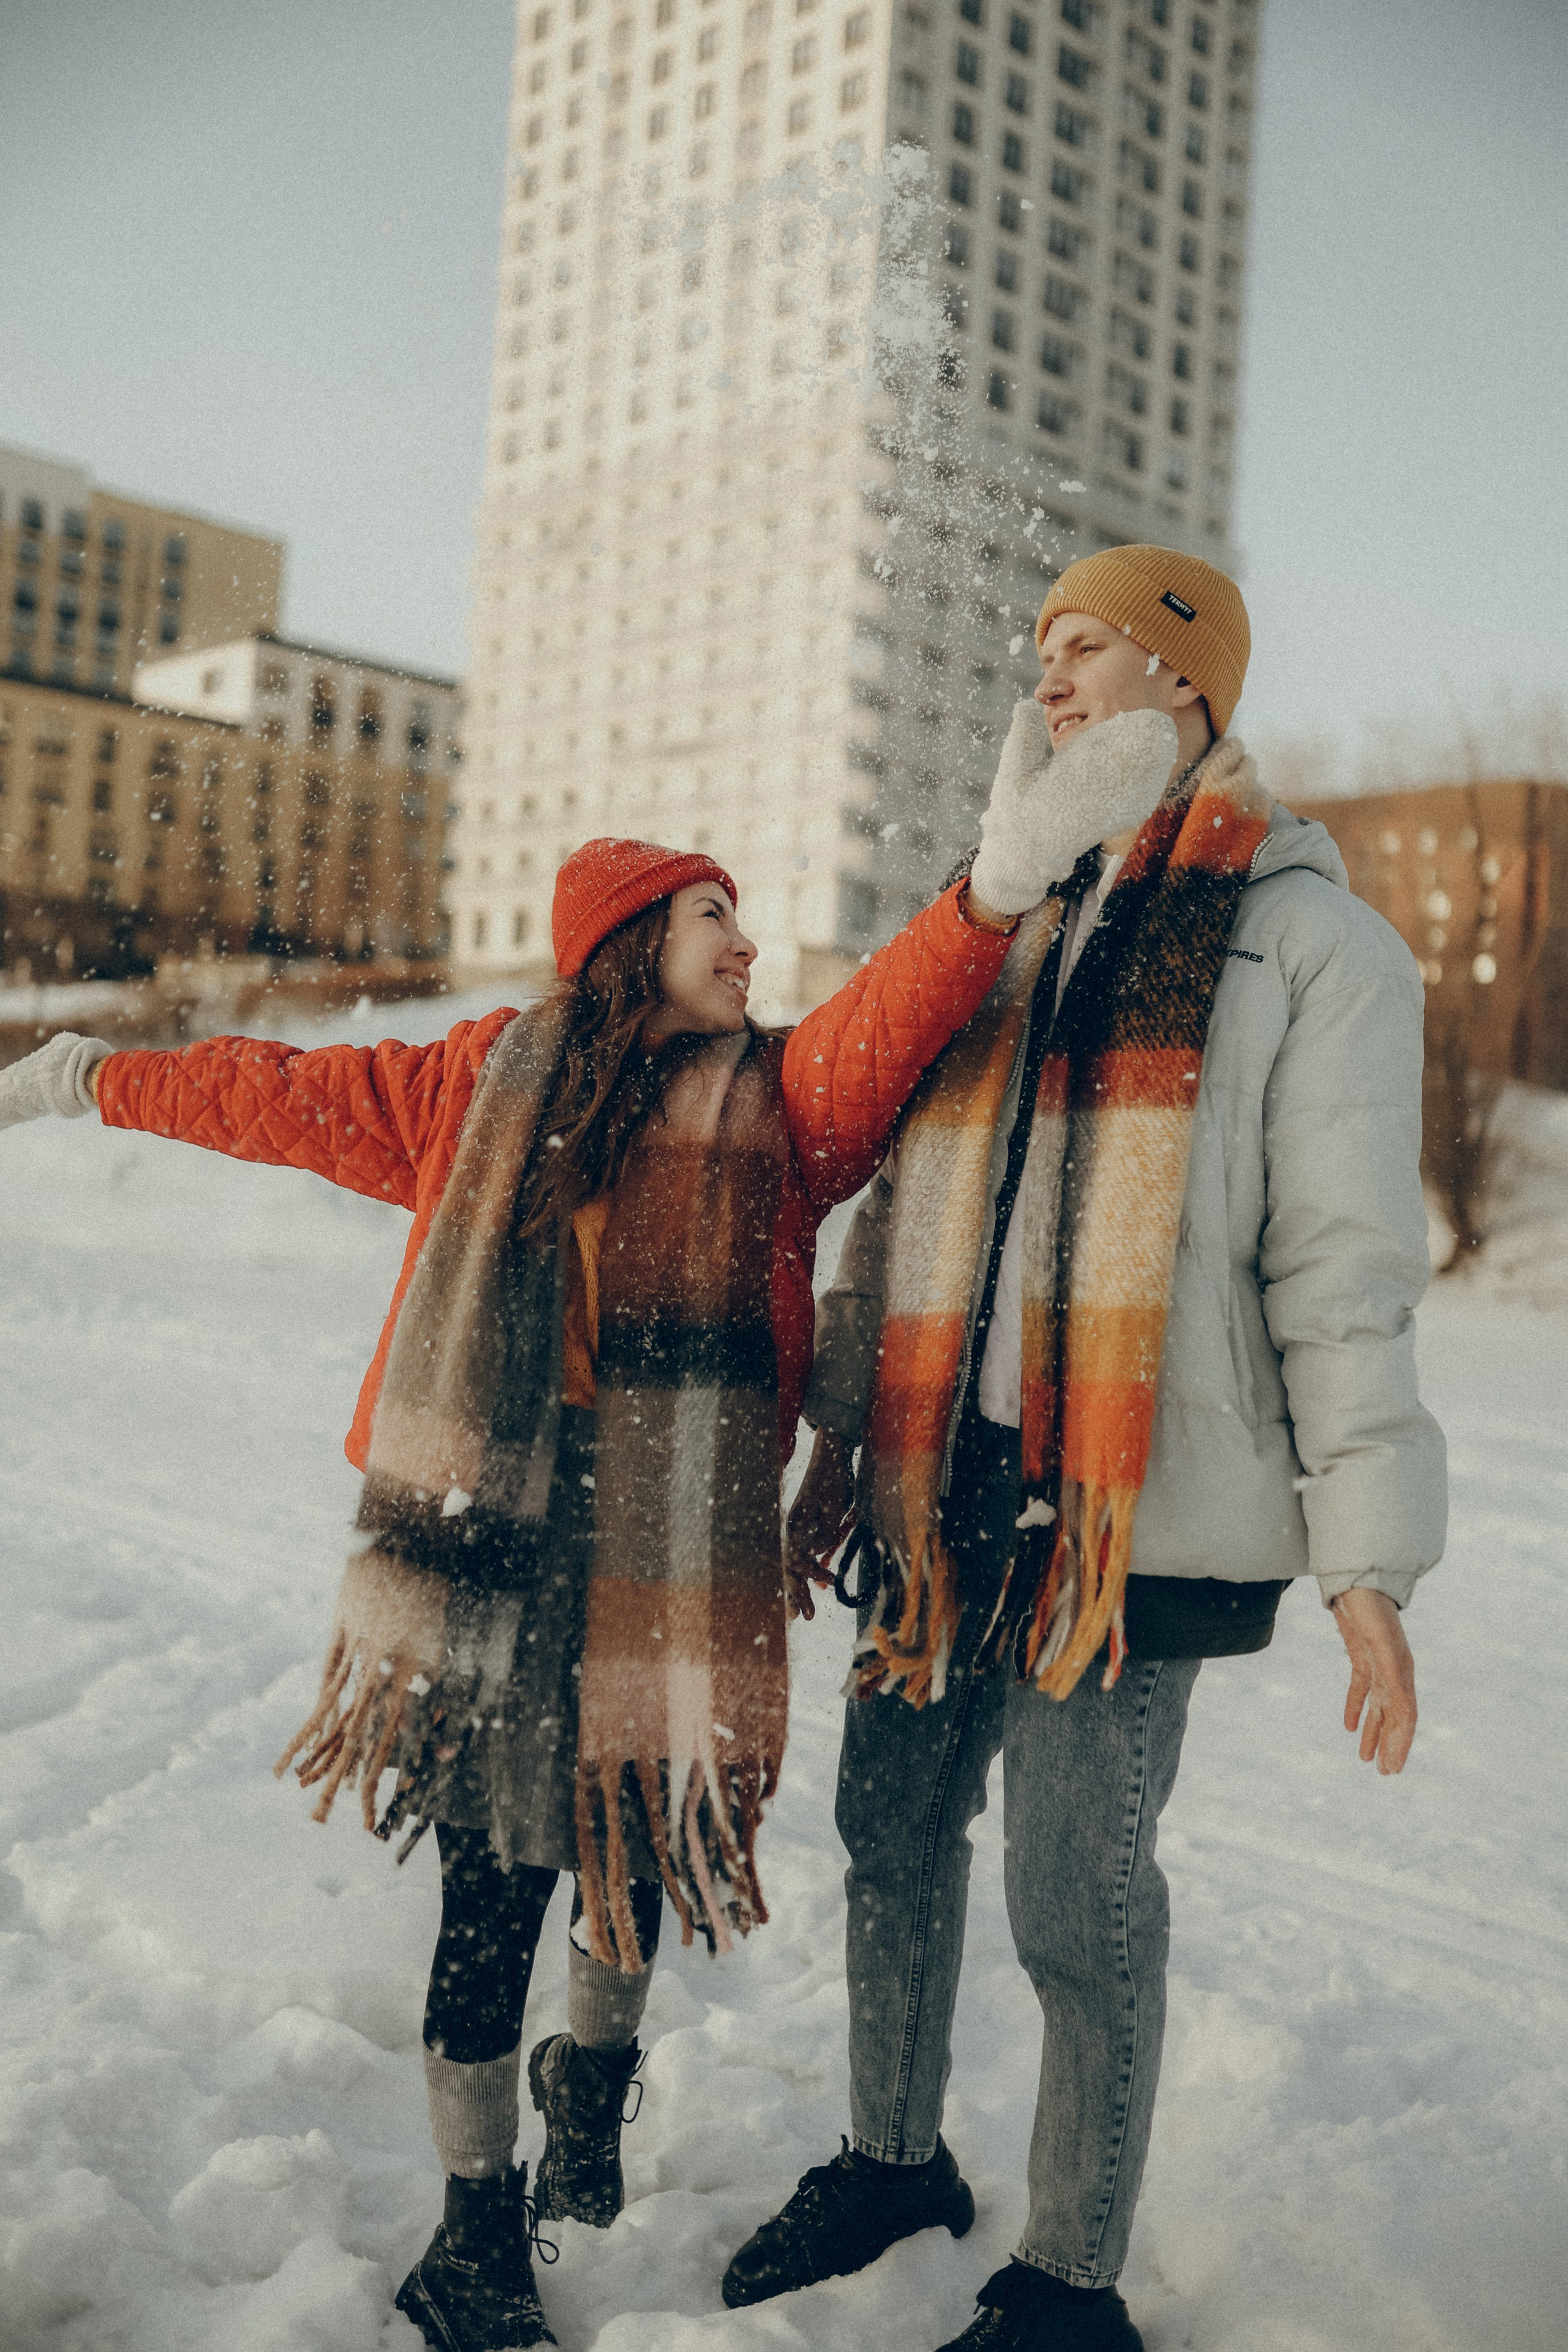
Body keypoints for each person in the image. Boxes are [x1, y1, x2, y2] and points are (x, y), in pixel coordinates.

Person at [1, 815, 1134, 2351]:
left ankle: (585, 2087)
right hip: (496, 1549)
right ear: (626, 945)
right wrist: (84, 1072)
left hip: (676, 1561)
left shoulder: (786, 1105)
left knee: (630, 1860)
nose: (744, 944)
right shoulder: (476, 1085)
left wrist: (993, 888)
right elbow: (269, 1094)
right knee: (493, 1888)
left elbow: (899, 1014)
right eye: (710, 919)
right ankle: (468, 2236)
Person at [722, 546, 1447, 2351]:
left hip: (1137, 1517)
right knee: (890, 1829)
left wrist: (1368, 1565)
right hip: (937, 1487)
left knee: (1076, 1889)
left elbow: (1342, 1277)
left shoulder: (1311, 944)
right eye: (1039, 648)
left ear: (1190, 685)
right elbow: (898, 1213)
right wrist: (835, 1448)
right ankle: (892, 2157)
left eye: (1094, 648)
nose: (1050, 680)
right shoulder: (1006, 909)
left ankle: (1070, 2278)